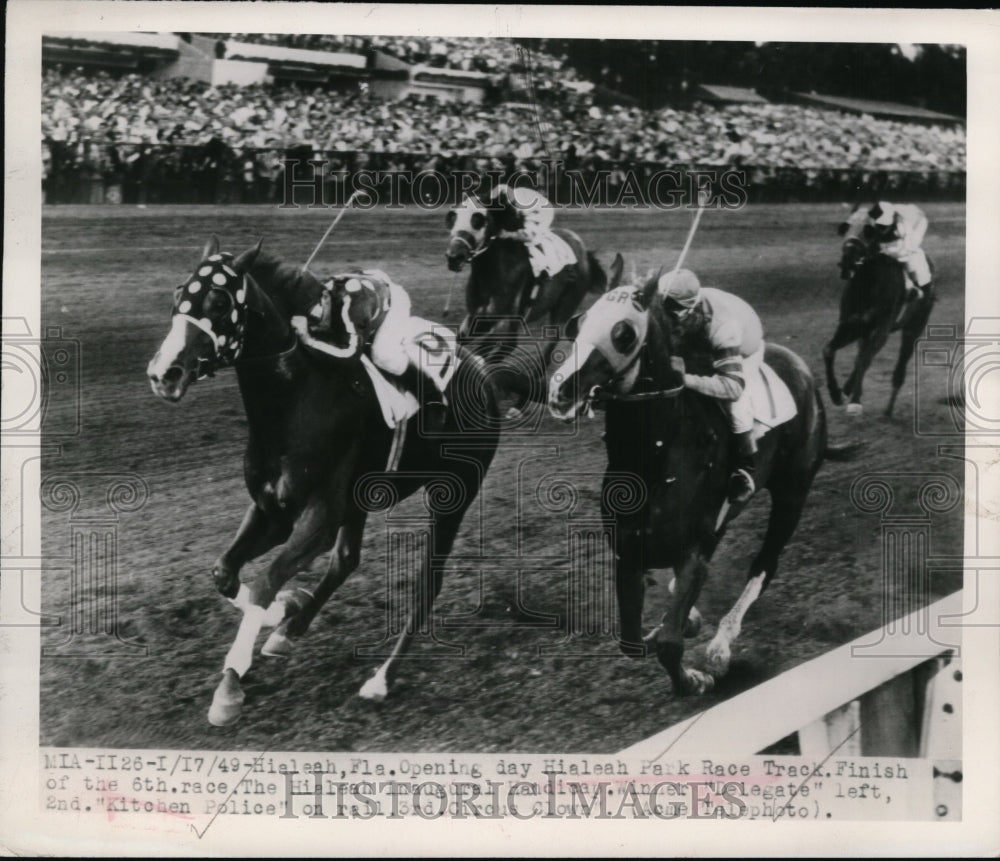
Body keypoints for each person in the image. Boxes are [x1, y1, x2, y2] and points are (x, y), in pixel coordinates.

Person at [657, 269, 764, 505]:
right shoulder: (672, 310)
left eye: (672, 311)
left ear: (690, 307)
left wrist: (687, 380)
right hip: (701, 342)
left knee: (737, 404)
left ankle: (744, 468)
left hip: (745, 345)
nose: (666, 316)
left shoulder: (723, 324)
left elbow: (733, 386)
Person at [291, 269, 449, 423]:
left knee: (383, 355)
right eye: (308, 319)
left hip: (391, 302)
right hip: (369, 286)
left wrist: (309, 340)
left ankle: (432, 397)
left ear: (325, 297)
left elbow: (349, 355)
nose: (314, 324)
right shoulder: (319, 299)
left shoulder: (351, 308)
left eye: (315, 316)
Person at [867, 201, 932, 300]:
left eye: (882, 227)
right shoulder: (873, 214)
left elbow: (905, 251)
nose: (879, 229)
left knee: (910, 254)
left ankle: (917, 287)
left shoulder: (903, 226)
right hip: (905, 215)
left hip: (918, 222)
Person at [489, 183, 555, 242]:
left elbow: (529, 237)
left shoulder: (524, 210)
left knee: (528, 239)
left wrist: (508, 234)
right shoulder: (503, 195)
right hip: (525, 206)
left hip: (540, 212)